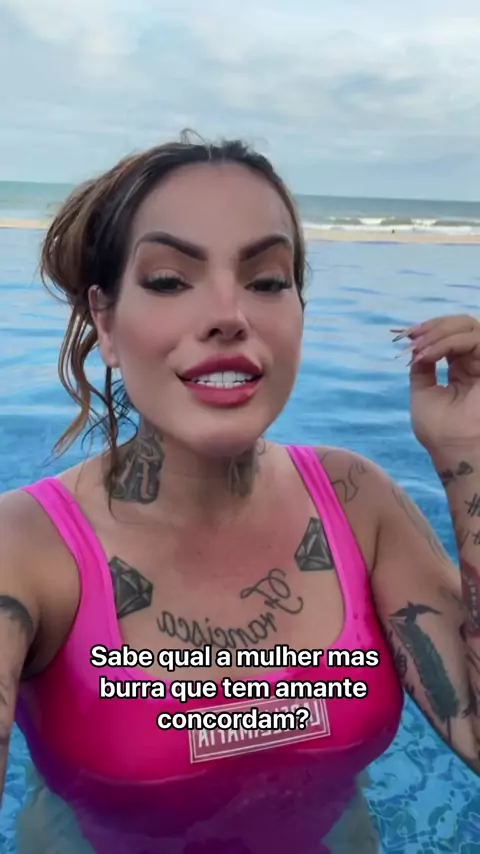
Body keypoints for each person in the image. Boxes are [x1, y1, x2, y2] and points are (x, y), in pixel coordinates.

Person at [0, 131, 479, 854]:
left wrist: (470, 456)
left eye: (267, 280)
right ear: (105, 320)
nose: (230, 313)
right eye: (169, 279)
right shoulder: (26, 549)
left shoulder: (359, 502)